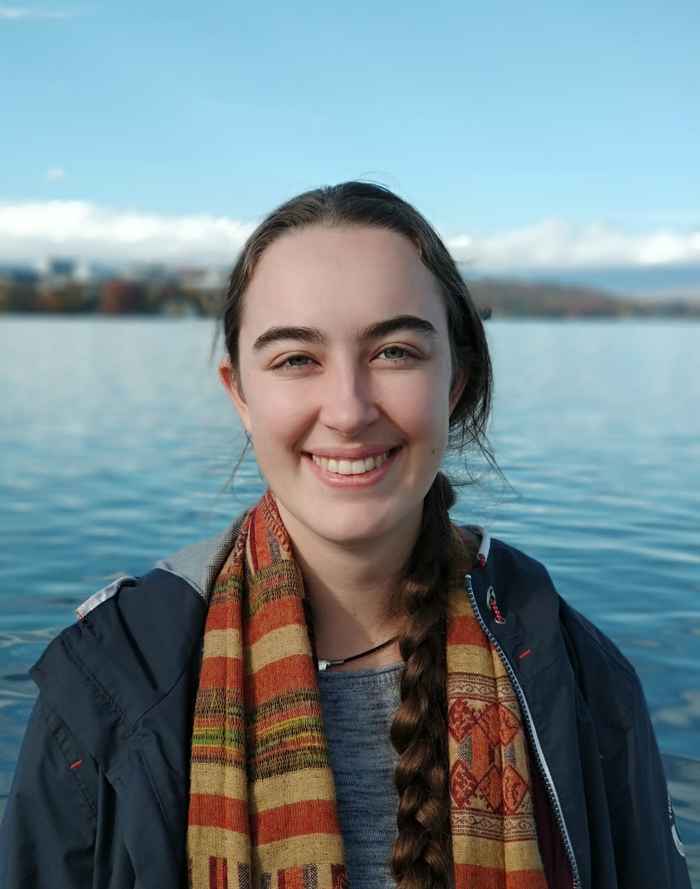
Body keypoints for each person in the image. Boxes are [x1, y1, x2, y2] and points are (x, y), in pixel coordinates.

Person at [0, 182, 691, 889]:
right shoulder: (112, 680)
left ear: (453, 382)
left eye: (394, 352)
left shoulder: (579, 679)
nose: (349, 410)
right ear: (240, 394)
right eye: (296, 359)